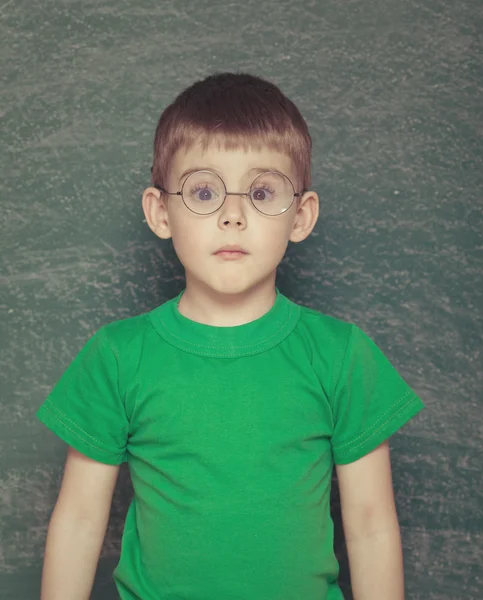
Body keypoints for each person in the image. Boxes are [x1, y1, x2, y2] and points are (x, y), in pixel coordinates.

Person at [36, 72, 425, 600]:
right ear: (160, 212)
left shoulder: (341, 355)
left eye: (263, 191)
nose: (233, 215)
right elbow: (80, 520)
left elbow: (373, 525)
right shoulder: (117, 356)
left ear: (301, 216)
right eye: (203, 191)